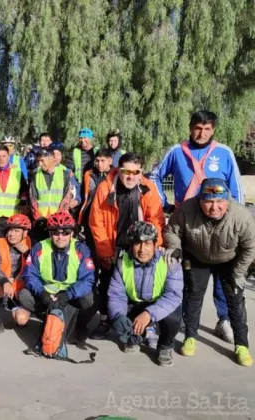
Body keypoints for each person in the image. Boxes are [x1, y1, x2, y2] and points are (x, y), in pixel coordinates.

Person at [150, 110, 244, 343]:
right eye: (198, 128)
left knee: (223, 275)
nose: (202, 133)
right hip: (187, 224)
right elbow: (154, 176)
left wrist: (235, 221)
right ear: (190, 127)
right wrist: (165, 203)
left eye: (207, 129)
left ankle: (224, 320)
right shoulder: (176, 151)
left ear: (213, 130)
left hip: (219, 224)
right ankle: (179, 318)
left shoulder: (223, 153)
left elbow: (237, 189)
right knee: (183, 273)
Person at [164, 178, 255, 367]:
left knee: (235, 300)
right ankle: (190, 337)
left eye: (219, 202)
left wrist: (238, 272)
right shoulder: (187, 210)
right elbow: (171, 230)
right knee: (193, 297)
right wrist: (175, 248)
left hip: (230, 259)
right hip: (197, 256)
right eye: (209, 202)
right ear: (200, 201)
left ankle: (242, 345)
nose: (214, 207)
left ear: (227, 200)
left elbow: (250, 247)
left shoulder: (242, 216)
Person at [89, 153, 165, 339]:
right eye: (126, 171)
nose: (130, 176)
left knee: (142, 284)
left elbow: (156, 220)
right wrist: (104, 250)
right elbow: (96, 221)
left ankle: (145, 323)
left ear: (141, 172)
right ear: (118, 170)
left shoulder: (148, 188)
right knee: (108, 283)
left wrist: (155, 246)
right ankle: (107, 319)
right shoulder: (105, 187)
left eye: (135, 172)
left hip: (139, 245)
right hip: (113, 244)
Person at [108, 222, 183, 367]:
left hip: (159, 304)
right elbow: (116, 295)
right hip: (135, 304)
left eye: (147, 243)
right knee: (119, 317)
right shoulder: (122, 262)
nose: (142, 249)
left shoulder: (170, 261)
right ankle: (136, 336)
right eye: (137, 243)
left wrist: (149, 314)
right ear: (131, 245)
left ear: (155, 244)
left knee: (173, 317)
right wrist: (118, 315)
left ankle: (165, 346)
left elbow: (173, 296)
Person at [21, 211, 96, 352]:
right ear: (50, 233)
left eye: (65, 232)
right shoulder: (39, 248)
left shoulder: (81, 249)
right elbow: (30, 275)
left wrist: (68, 294)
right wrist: (42, 293)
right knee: (24, 295)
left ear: (72, 233)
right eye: (55, 232)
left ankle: (76, 325)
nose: (60, 237)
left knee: (89, 298)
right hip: (47, 292)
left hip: (70, 294)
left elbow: (87, 279)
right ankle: (47, 318)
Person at [0, 214, 32, 339]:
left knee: (21, 320)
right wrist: (5, 281)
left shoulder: (33, 245)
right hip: (6, 285)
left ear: (25, 233)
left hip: (22, 289)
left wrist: (28, 253)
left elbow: (40, 270)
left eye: (16, 230)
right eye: (10, 230)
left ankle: (22, 312)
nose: (11, 234)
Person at [0, 145, 29, 251]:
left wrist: (23, 201)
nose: (1, 159)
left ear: (8, 157)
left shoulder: (17, 172)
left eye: (4, 156)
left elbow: (25, 191)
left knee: (13, 251)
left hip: (13, 219)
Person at [30, 148, 80, 242]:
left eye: (42, 160)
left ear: (52, 159)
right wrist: (38, 217)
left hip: (59, 222)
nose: (40, 164)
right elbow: (32, 198)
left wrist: (59, 217)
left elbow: (67, 197)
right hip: (40, 221)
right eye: (38, 161)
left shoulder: (65, 174)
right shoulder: (35, 174)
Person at [78, 148, 113, 241]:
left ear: (110, 161)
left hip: (108, 214)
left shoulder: (115, 175)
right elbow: (83, 194)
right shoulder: (89, 174)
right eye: (97, 161)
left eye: (102, 161)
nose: (99, 164)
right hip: (90, 214)